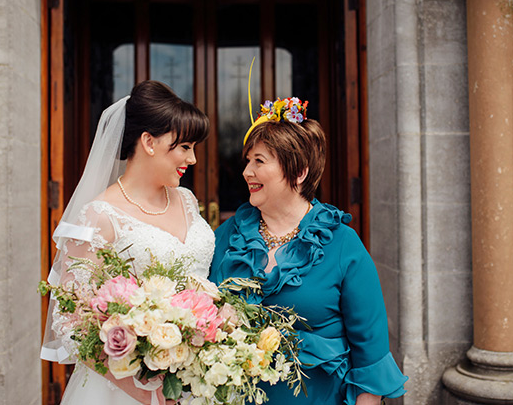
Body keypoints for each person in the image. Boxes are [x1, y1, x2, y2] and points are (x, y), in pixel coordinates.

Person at [209, 97, 408, 404]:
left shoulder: (342, 243)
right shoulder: (228, 236)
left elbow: (371, 350)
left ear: (299, 172)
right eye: (247, 161)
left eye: (259, 161)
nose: (247, 171)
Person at [41, 81, 215, 405]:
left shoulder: (187, 200)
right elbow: (69, 322)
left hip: (193, 384)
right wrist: (150, 394)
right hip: (120, 391)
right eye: (184, 147)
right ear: (148, 141)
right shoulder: (98, 216)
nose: (192, 159)